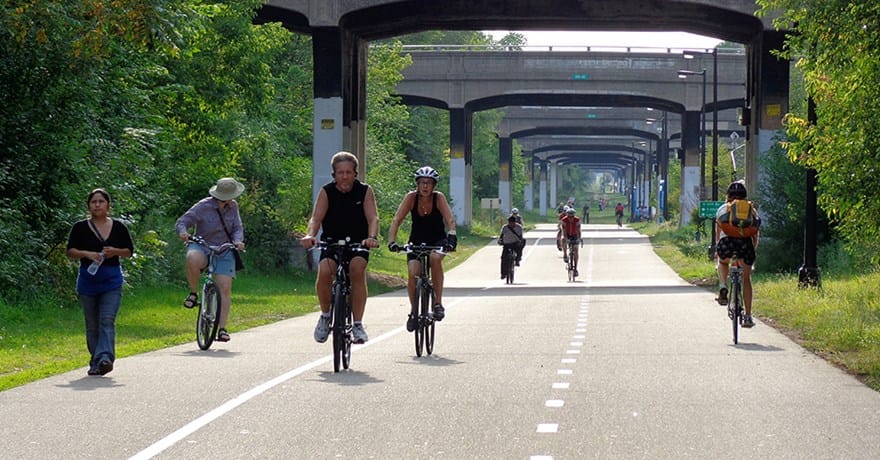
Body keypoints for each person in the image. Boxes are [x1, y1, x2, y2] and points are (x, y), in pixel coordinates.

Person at [300, 151, 380, 344]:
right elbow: (316, 219)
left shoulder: (364, 191)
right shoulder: (327, 191)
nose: (344, 176)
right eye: (340, 172)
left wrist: (371, 237)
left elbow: (373, 218)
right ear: (334, 174)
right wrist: (310, 235)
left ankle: (358, 324)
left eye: (348, 172)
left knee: (357, 270)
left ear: (355, 174)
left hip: (358, 243)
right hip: (332, 242)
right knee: (325, 272)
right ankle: (325, 315)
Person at [66, 188, 134, 376]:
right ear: (88, 206)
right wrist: (86, 254)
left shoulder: (119, 227)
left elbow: (129, 251)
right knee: (92, 324)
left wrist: (115, 252)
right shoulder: (80, 227)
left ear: (108, 205)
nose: (97, 205)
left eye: (101, 201)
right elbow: (70, 251)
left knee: (107, 319)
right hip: (88, 282)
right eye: (93, 202)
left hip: (111, 281)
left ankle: (105, 358)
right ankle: (95, 361)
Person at [387, 166, 457, 331]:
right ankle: (414, 311)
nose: (425, 186)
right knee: (413, 272)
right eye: (422, 183)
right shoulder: (411, 198)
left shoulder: (438, 198)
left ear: (434, 185)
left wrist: (452, 238)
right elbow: (397, 220)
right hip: (416, 240)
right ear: (417, 184)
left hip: (437, 240)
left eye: (429, 183)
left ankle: (438, 303)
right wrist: (392, 241)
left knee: (434, 258)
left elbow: (450, 220)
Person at [176, 177, 246, 343]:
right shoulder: (203, 206)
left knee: (225, 287)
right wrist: (183, 232)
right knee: (192, 258)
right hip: (203, 245)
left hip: (225, 248)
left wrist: (238, 241)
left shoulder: (233, 206)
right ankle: (193, 293)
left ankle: (222, 328)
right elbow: (182, 222)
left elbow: (237, 227)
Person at [715, 181, 760, 328]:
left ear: (727, 195)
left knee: (722, 262)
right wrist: (753, 250)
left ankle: (723, 286)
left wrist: (718, 249)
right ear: (745, 196)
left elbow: (718, 234)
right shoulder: (751, 210)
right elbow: (755, 233)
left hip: (727, 243)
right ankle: (747, 316)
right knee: (746, 278)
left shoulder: (723, 209)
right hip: (745, 245)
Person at [559, 207, 582, 276]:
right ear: (567, 215)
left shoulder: (577, 220)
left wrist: (579, 238)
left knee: (576, 250)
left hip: (575, 235)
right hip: (567, 234)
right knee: (563, 239)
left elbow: (579, 230)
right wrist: (566, 239)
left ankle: (575, 268)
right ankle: (565, 254)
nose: (571, 218)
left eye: (572, 216)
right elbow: (564, 231)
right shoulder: (564, 220)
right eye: (569, 216)